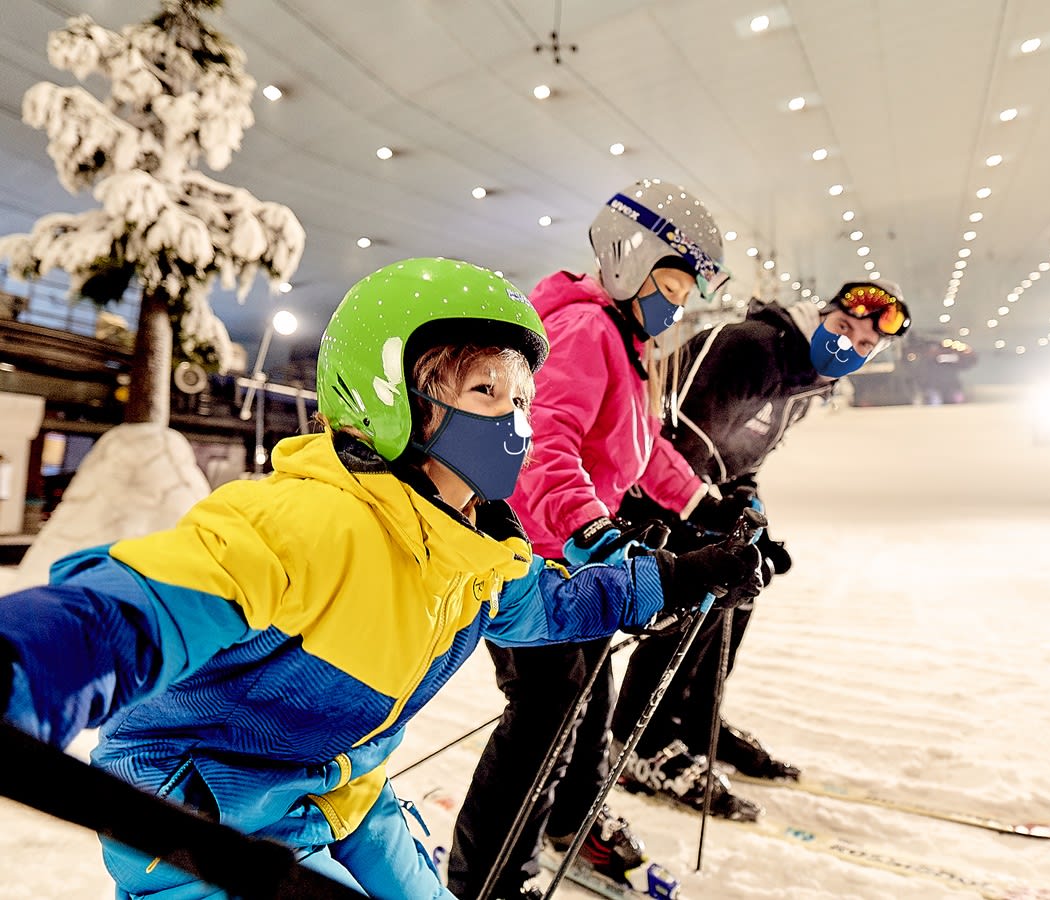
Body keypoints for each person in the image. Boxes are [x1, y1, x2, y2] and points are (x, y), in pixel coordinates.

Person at [0, 257, 762, 900]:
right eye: (487, 393)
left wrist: (679, 575)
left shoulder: (476, 553)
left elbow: (554, 602)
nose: (519, 425)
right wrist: (29, 664)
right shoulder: (311, 522)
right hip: (200, 813)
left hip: (342, 792)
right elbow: (134, 607)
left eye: (524, 401)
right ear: (393, 396)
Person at [448, 180, 762, 900]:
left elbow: (641, 448)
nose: (677, 301)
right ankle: (486, 883)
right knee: (544, 716)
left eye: (685, 289)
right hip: (537, 557)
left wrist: (705, 503)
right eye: (673, 281)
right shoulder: (587, 330)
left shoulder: (625, 343)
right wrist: (593, 528)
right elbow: (539, 444)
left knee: (588, 699)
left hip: (574, 562)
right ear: (632, 259)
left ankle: (572, 825)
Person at [612, 279, 912, 809]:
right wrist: (707, 521)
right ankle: (642, 743)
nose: (848, 346)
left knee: (740, 589)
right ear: (819, 316)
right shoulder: (751, 346)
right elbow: (672, 438)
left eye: (865, 345)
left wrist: (749, 513)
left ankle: (695, 721)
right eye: (843, 328)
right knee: (690, 599)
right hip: (640, 495)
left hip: (696, 496)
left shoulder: (804, 381)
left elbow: (741, 458)